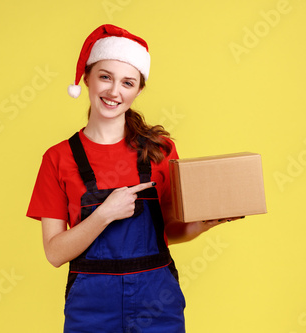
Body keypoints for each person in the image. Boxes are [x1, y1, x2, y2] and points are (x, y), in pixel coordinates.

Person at [27, 24, 242, 333]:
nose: (114, 91)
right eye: (105, 77)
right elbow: (54, 253)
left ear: (138, 90)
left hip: (157, 304)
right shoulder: (58, 158)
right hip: (91, 311)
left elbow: (166, 231)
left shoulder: (159, 151)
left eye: (127, 82)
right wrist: (104, 215)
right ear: (87, 78)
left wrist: (201, 224)